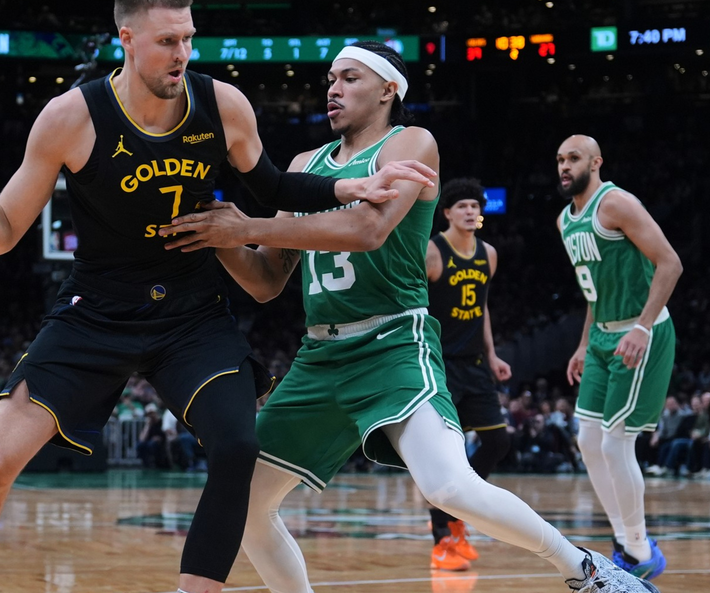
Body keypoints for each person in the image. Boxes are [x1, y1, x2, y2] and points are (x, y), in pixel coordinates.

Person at [0, 0, 436, 593]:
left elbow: (273, 192)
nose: (182, 53)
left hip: (190, 314)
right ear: (127, 39)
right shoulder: (72, 116)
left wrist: (344, 187)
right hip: (96, 310)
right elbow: (1, 231)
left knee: (236, 448)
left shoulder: (223, 105)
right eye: (166, 41)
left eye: (188, 39)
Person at [166, 41, 659, 593]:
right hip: (321, 356)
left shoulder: (412, 143)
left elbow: (367, 230)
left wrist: (247, 226)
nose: (332, 88)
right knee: (245, 505)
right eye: (330, 78)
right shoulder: (305, 166)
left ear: (388, 88)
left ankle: (585, 569)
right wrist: (212, 233)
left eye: (349, 77)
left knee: (447, 486)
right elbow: (265, 281)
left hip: (395, 342)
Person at [557, 134, 682, 580]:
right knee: (588, 442)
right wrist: (582, 342)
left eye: (573, 158)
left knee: (615, 442)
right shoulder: (564, 221)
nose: (565, 166)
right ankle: (627, 543)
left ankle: (638, 549)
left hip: (640, 331)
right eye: (560, 160)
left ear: (596, 162)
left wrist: (642, 327)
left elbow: (670, 262)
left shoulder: (617, 203)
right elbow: (594, 290)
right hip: (601, 338)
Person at [422, 177, 513, 571]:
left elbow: (483, 309)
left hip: (474, 364)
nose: (471, 211)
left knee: (497, 442)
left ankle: (458, 509)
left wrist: (493, 355)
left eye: (476, 206)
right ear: (446, 213)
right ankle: (442, 538)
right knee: (444, 455)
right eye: (463, 206)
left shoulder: (488, 254)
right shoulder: (432, 251)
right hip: (439, 364)